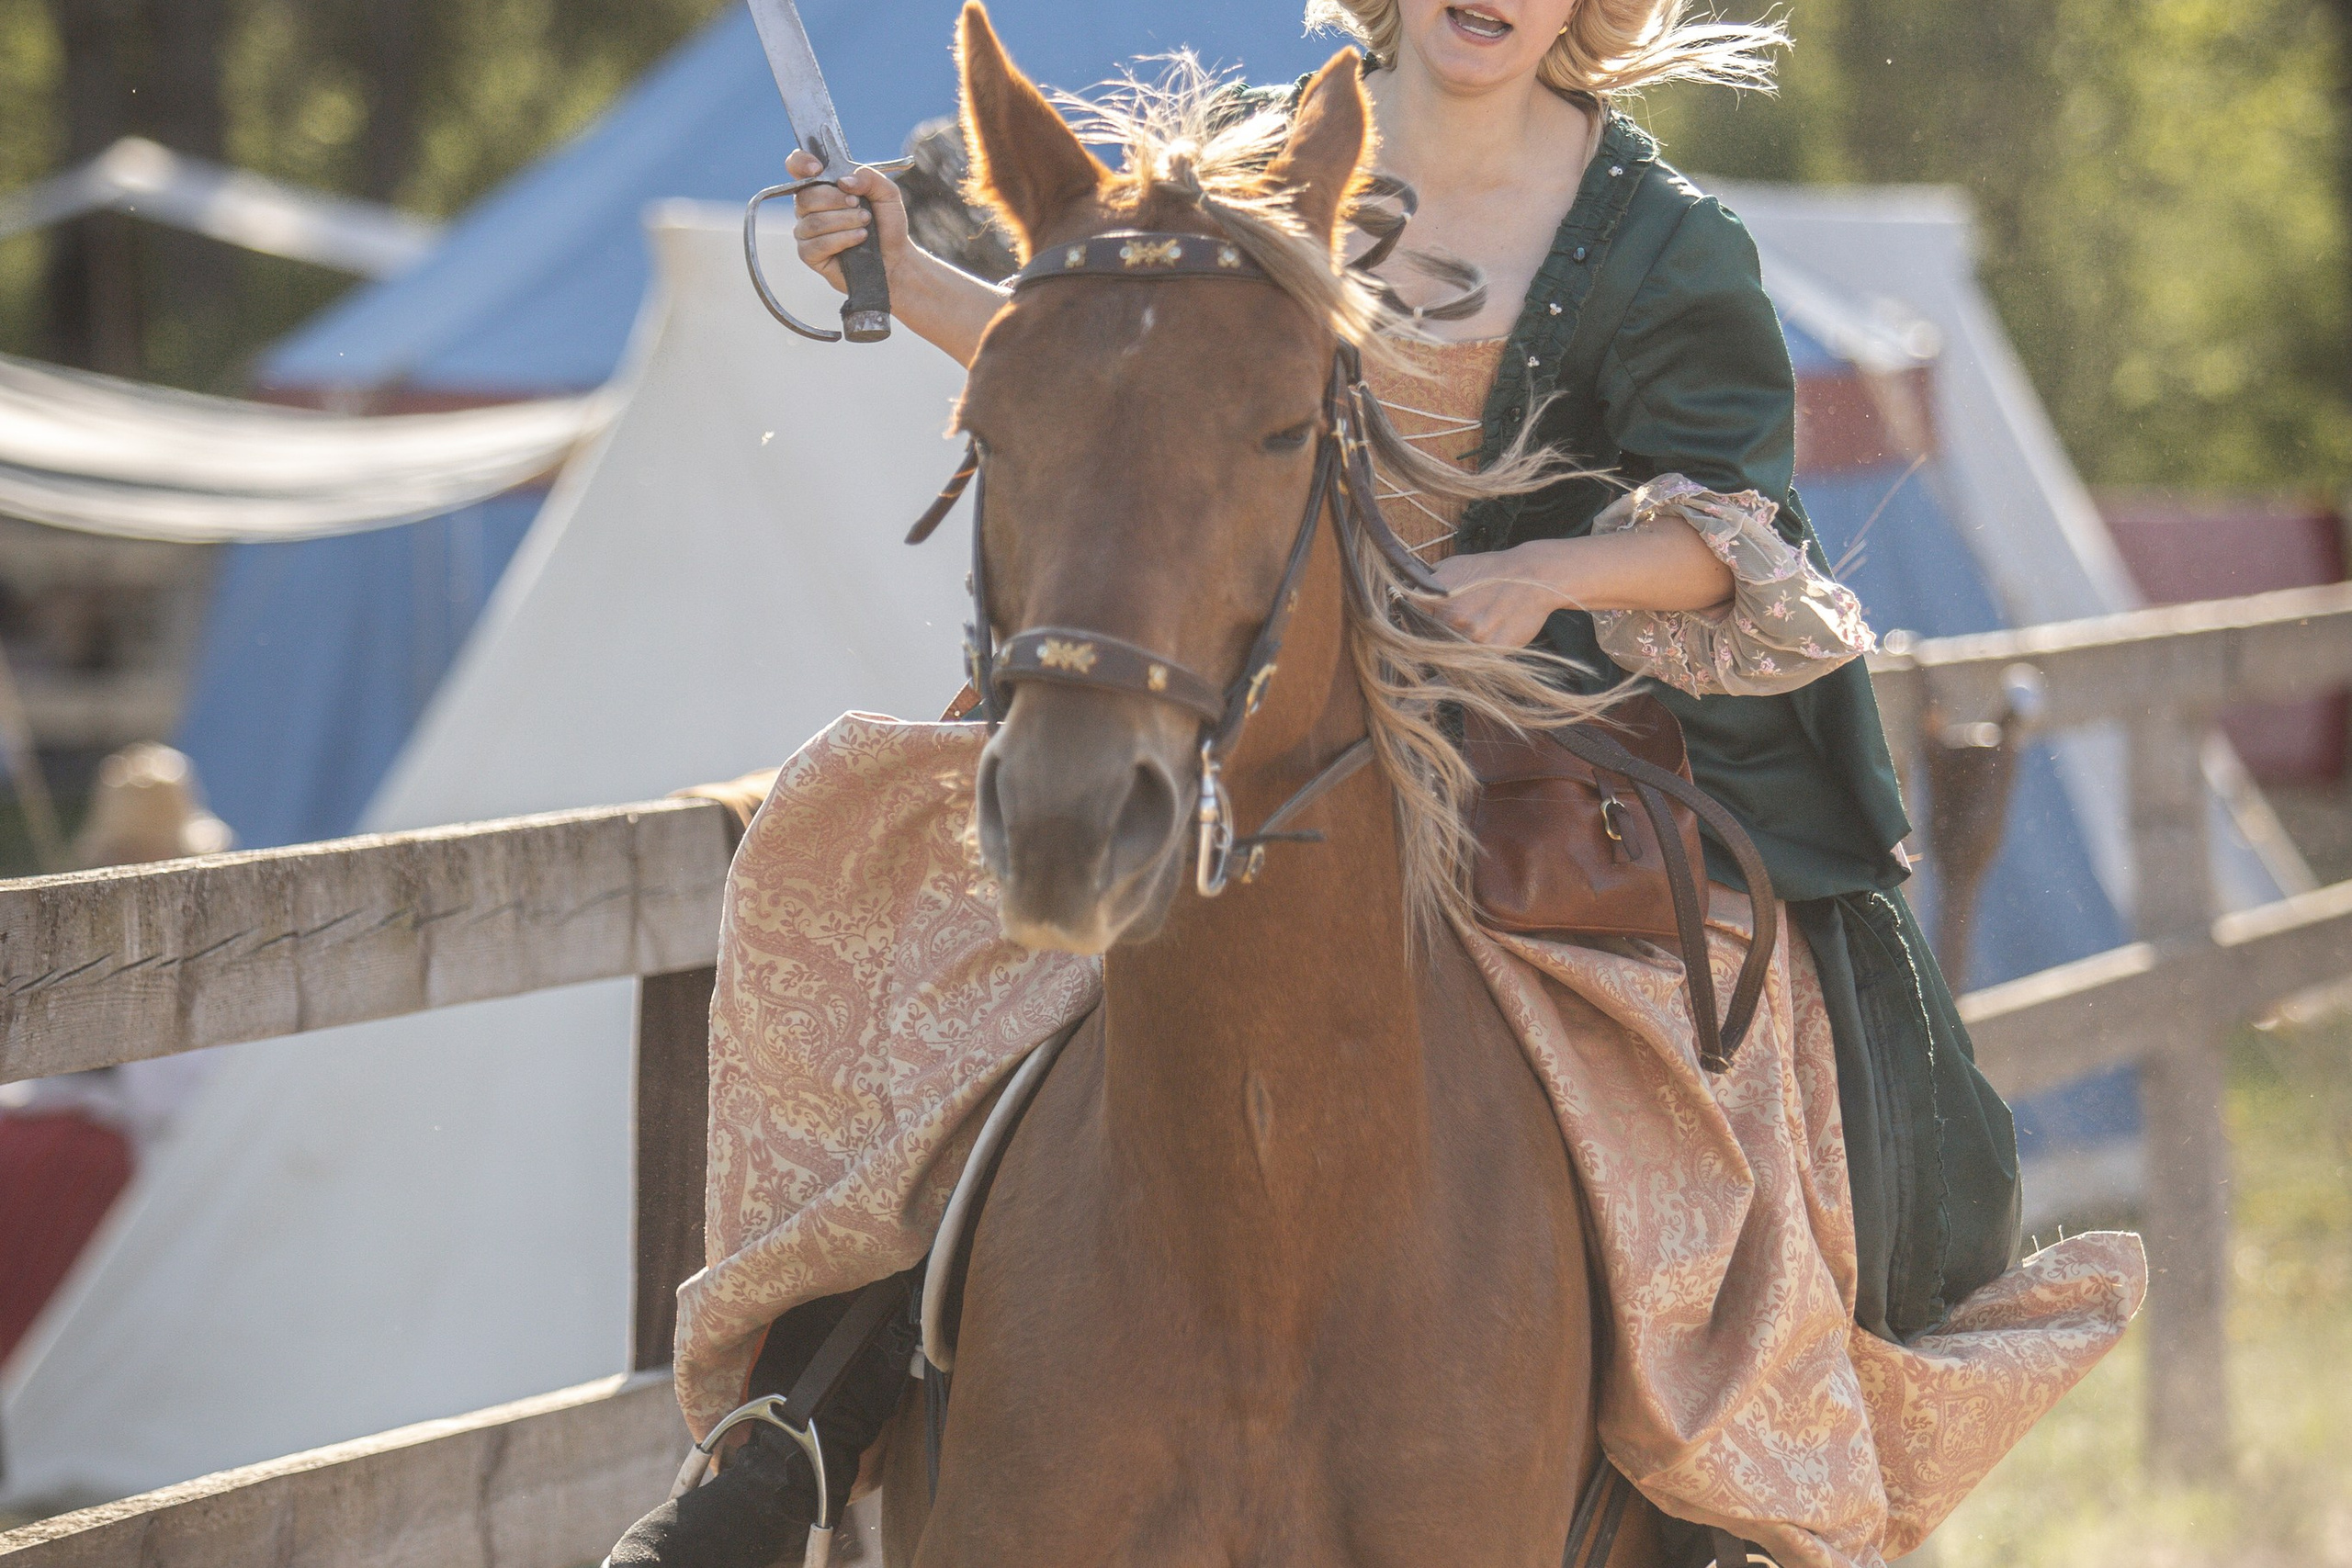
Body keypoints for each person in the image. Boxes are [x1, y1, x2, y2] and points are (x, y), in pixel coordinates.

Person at [609, 2, 2023, 1562]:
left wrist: (1546, 568)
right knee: (893, 907)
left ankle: (1752, 1497)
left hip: (1534, 745)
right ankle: (807, 1417)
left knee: (1770, 1075)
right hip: (1225, 679)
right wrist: (911, 271)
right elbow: (1116, 358)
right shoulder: (1258, 163)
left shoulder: (1661, 241)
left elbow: (1741, 530)